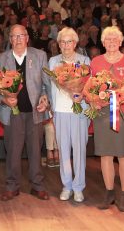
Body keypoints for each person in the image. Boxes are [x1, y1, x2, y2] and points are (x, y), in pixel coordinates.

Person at [0, 24, 51, 201]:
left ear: (27, 38)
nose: (18, 39)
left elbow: (46, 84)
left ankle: (37, 186)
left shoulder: (40, 56)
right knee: (12, 151)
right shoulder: (0, 59)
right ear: (9, 39)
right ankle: (12, 186)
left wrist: (44, 98)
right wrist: (4, 99)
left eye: (21, 36)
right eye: (14, 36)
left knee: (35, 150)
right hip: (12, 113)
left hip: (35, 111)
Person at [90, 26, 124, 212]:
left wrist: (122, 93)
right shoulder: (96, 61)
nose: (111, 42)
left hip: (123, 112)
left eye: (114, 39)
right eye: (107, 39)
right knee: (105, 154)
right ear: (102, 43)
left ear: (120, 42)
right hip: (102, 113)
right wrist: (93, 99)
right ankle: (109, 192)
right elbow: (90, 87)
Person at [47, 27, 91, 203]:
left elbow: (89, 85)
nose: (66, 45)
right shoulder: (53, 62)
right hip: (60, 111)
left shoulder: (84, 60)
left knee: (79, 150)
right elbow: (49, 86)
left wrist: (83, 95)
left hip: (79, 112)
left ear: (75, 43)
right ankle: (67, 185)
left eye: (69, 41)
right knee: (63, 150)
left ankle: (79, 186)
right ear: (58, 44)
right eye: (62, 42)